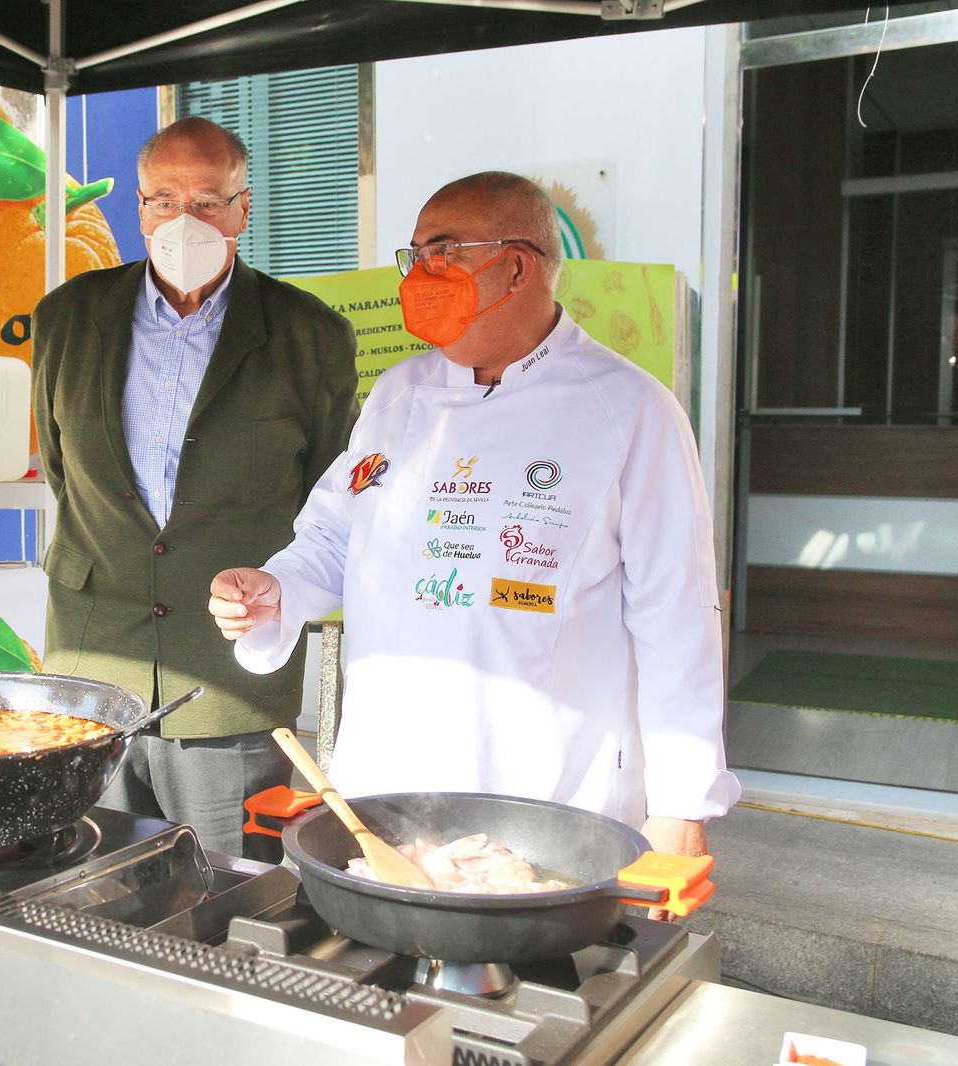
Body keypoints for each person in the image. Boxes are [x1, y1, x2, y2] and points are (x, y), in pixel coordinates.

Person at [208, 171, 740, 862]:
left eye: (444, 251)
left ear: (517, 266)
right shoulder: (399, 395)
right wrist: (271, 591)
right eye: (416, 254)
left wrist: (682, 803)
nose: (420, 274)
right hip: (385, 779)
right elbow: (337, 536)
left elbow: (678, 616)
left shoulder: (629, 410)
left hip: (544, 793)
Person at [32, 117, 358, 858]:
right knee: (90, 876)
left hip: (229, 677)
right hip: (92, 656)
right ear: (140, 210)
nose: (186, 220)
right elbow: (64, 467)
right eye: (165, 200)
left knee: (228, 886)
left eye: (209, 201)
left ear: (245, 208)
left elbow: (328, 501)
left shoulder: (311, 335)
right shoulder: (67, 319)